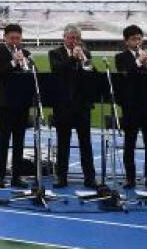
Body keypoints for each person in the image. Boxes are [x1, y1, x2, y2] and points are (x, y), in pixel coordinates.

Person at [114, 24, 147, 188]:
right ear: (126, 41)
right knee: (130, 143)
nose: (138, 41)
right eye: (134, 38)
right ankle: (130, 178)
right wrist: (138, 61)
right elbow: (126, 74)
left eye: (140, 38)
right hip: (131, 106)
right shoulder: (121, 57)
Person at [48, 24, 97, 189]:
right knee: (63, 144)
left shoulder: (86, 53)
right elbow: (58, 70)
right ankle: (61, 177)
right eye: (70, 37)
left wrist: (83, 58)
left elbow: (92, 74)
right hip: (63, 105)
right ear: (64, 37)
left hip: (82, 105)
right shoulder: (55, 53)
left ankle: (90, 177)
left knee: (86, 143)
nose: (73, 41)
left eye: (76, 38)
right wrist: (72, 58)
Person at [0, 23, 35, 188]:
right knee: (2, 141)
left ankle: (17, 176)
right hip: (4, 104)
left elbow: (32, 74)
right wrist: (13, 62)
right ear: (5, 38)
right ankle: (0, 176)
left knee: (19, 141)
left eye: (18, 38)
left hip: (21, 104)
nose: (15, 41)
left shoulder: (26, 53)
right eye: (12, 38)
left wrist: (26, 65)